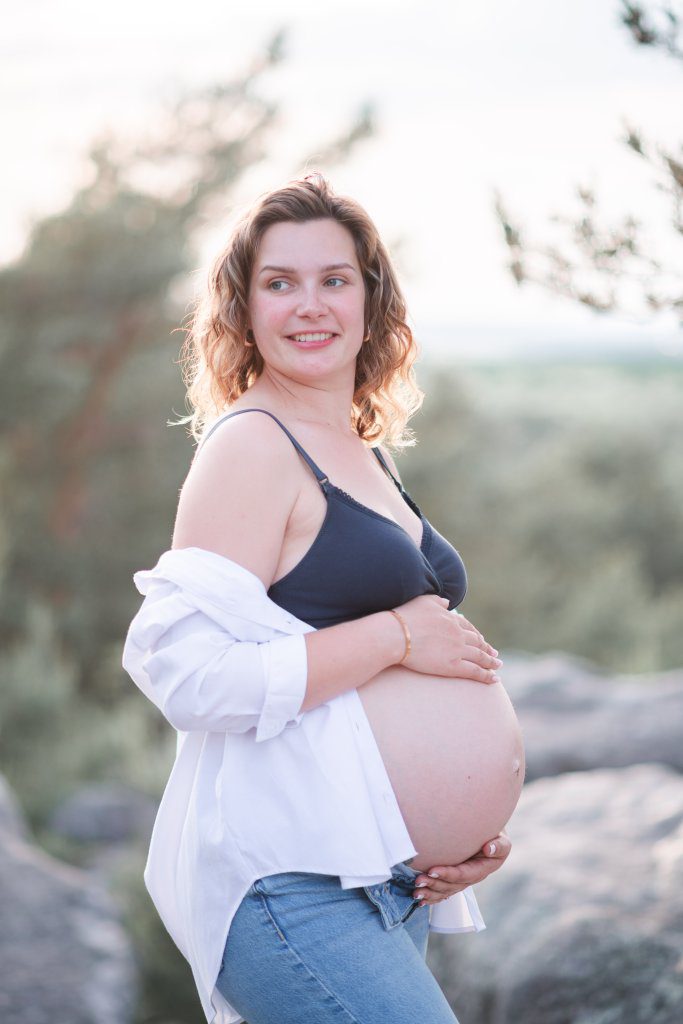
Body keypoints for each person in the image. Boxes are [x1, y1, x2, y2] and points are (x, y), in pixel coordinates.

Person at [122, 171, 511, 1024]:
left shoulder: (358, 449)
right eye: (279, 283)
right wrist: (396, 638)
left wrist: (456, 830)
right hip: (289, 881)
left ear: (370, 301)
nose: (309, 306)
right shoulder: (252, 447)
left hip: (387, 874)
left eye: (333, 280)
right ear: (244, 308)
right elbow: (185, 675)